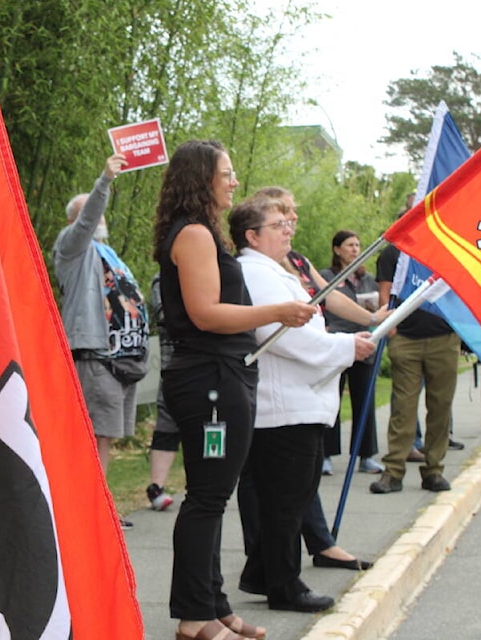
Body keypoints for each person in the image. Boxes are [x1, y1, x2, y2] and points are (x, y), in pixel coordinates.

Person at [154, 140, 315, 640]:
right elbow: (205, 314)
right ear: (202, 178)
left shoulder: (203, 233)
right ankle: (193, 617)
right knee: (207, 498)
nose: (234, 181)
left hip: (221, 376)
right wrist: (278, 313)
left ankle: (213, 605)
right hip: (211, 382)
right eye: (227, 173)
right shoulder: (196, 235)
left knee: (214, 496)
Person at [231, 196, 375, 613]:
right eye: (277, 224)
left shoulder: (277, 270)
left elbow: (313, 318)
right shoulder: (252, 272)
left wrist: (347, 340)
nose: (288, 229)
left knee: (293, 496)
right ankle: (285, 585)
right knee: (285, 502)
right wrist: (347, 345)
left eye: (286, 222)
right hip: (282, 406)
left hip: (301, 401)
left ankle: (263, 572)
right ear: (252, 236)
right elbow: (283, 334)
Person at [53, 153, 150, 530]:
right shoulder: (72, 248)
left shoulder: (108, 255)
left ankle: (97, 506)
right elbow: (88, 217)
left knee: (104, 436)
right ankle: (89, 511)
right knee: (95, 436)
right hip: (94, 355)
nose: (101, 219)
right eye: (93, 214)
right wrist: (105, 181)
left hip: (120, 358)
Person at [370, 242, 460, 494]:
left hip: (444, 337)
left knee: (440, 406)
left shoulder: (448, 248)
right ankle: (393, 471)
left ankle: (433, 470)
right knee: (403, 407)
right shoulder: (395, 251)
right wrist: (392, 328)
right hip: (406, 338)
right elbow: (385, 291)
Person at [319, 230, 384, 475]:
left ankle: (366, 455)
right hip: (337, 342)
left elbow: (374, 308)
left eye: (358, 245)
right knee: (332, 400)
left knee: (364, 401)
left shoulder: (367, 279)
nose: (355, 249)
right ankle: (326, 455)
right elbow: (321, 305)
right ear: (337, 249)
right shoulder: (327, 277)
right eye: (349, 245)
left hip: (364, 344)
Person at [147, 272, 177, 511]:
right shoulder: (162, 279)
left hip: (208, 366)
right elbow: (167, 316)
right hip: (174, 366)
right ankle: (156, 486)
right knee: (167, 425)